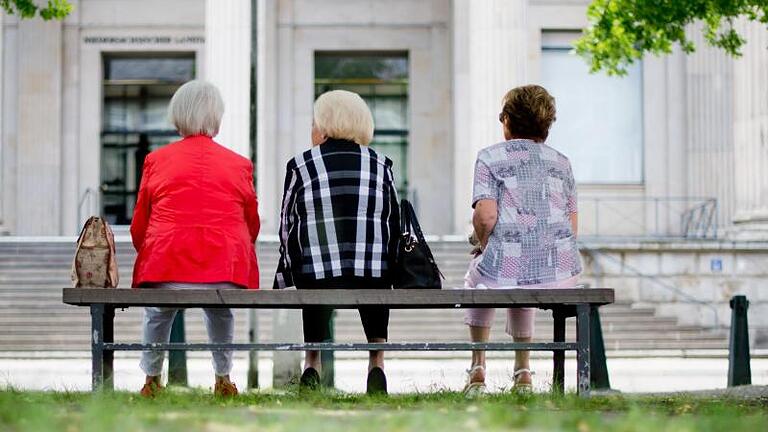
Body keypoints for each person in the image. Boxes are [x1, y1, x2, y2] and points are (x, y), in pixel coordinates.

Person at [131, 80, 260, 398]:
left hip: (167, 265)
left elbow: (140, 223)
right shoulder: (239, 163)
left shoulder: (156, 161)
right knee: (221, 311)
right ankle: (223, 378)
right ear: (216, 115)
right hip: (223, 270)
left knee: (157, 313)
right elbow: (251, 223)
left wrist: (149, 253)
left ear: (178, 114)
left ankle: (151, 380)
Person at [274, 90, 400, 395]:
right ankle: (377, 363)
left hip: (319, 273)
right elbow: (393, 222)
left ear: (324, 123)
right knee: (374, 271)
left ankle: (312, 364)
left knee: (314, 270)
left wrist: (291, 268)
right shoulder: (381, 164)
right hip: (371, 272)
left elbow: (287, 224)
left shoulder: (301, 164)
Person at [462, 85, 581, 394]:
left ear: (507, 121)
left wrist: (484, 244)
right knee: (520, 275)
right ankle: (523, 371)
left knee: (482, 278)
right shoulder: (562, 162)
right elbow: (572, 224)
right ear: (547, 125)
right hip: (560, 274)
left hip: (510, 269)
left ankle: (477, 367)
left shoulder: (490, 157)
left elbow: (485, 216)